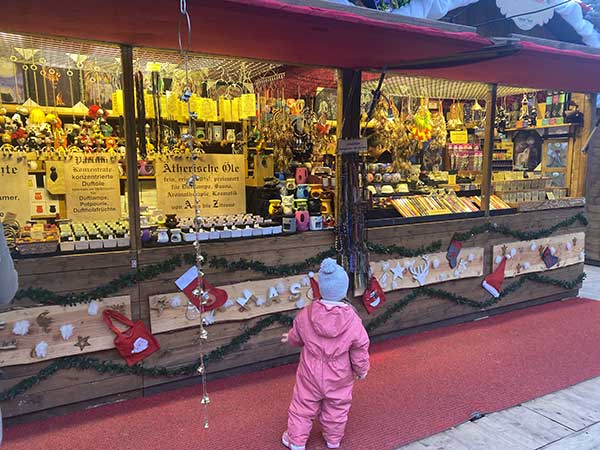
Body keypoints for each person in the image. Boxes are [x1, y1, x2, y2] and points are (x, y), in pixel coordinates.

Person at [281, 258, 370, 450]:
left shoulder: (306, 313)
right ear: (343, 290)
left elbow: (297, 336)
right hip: (339, 373)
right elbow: (360, 347)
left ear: (321, 289)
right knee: (337, 406)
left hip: (310, 371)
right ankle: (333, 439)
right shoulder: (353, 319)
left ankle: (296, 441)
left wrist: (289, 338)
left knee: (303, 405)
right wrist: (361, 369)